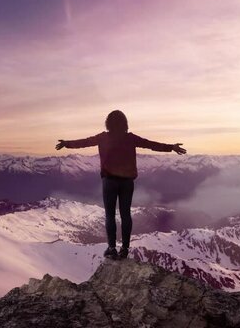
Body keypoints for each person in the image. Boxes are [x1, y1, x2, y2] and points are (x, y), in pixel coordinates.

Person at [55, 110, 186, 260]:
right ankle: (124, 249)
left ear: (108, 123)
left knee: (110, 215)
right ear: (125, 124)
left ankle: (111, 248)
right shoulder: (130, 138)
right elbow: (151, 144)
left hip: (109, 182)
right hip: (127, 182)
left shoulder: (102, 137)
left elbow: (84, 142)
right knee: (125, 214)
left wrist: (67, 144)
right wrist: (171, 147)